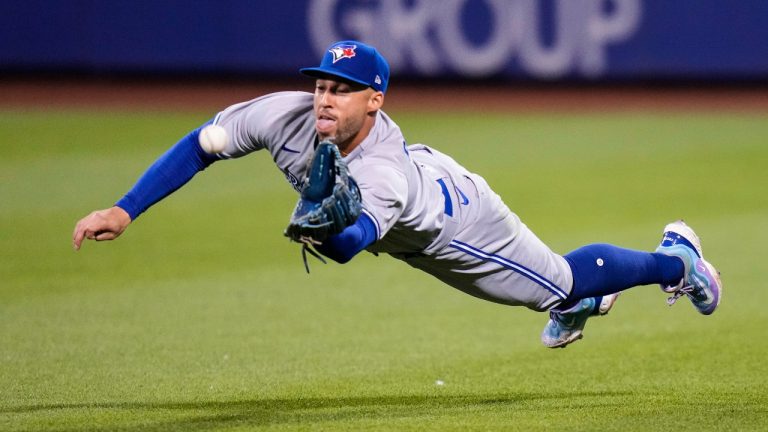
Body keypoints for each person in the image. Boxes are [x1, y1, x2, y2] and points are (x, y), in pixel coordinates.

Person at [72, 40, 722, 348]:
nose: (325, 96)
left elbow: (353, 246)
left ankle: (680, 260)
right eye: (322, 83)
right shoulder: (281, 114)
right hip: (407, 224)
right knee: (560, 288)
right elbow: (200, 144)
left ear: (374, 100)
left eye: (342, 88)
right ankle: (591, 296)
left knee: (559, 284)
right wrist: (124, 209)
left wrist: (325, 231)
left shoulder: (382, 173)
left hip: (455, 223)